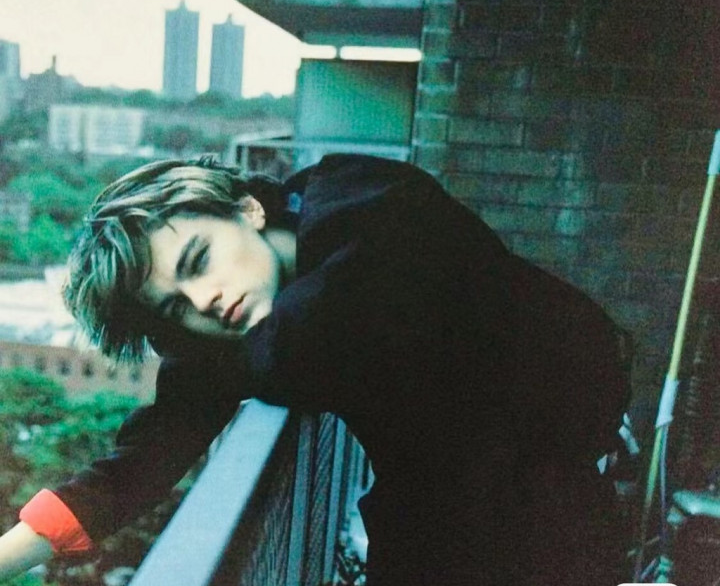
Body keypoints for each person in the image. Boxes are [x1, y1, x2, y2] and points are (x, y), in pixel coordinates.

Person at [0, 153, 634, 585]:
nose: (204, 300)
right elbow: (142, 460)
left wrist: (221, 366)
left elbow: (312, 327)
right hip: (446, 511)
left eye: (198, 260)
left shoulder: (369, 201)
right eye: (175, 308)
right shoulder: (237, 328)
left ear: (248, 209)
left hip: (552, 489)